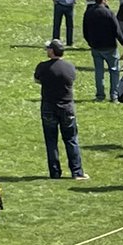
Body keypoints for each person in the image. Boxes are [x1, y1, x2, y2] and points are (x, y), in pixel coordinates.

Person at [34, 39, 87, 181]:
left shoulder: (43, 67)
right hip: (67, 107)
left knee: (51, 141)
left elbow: (37, 80)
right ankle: (77, 172)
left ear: (52, 51)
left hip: (48, 107)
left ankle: (55, 173)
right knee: (71, 139)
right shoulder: (69, 67)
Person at [82, 0, 120, 102]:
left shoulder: (89, 13)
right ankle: (114, 95)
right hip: (110, 46)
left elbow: (85, 31)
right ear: (104, 0)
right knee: (114, 71)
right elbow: (116, 30)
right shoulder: (109, 13)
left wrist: (90, 42)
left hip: (96, 46)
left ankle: (100, 95)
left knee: (99, 71)